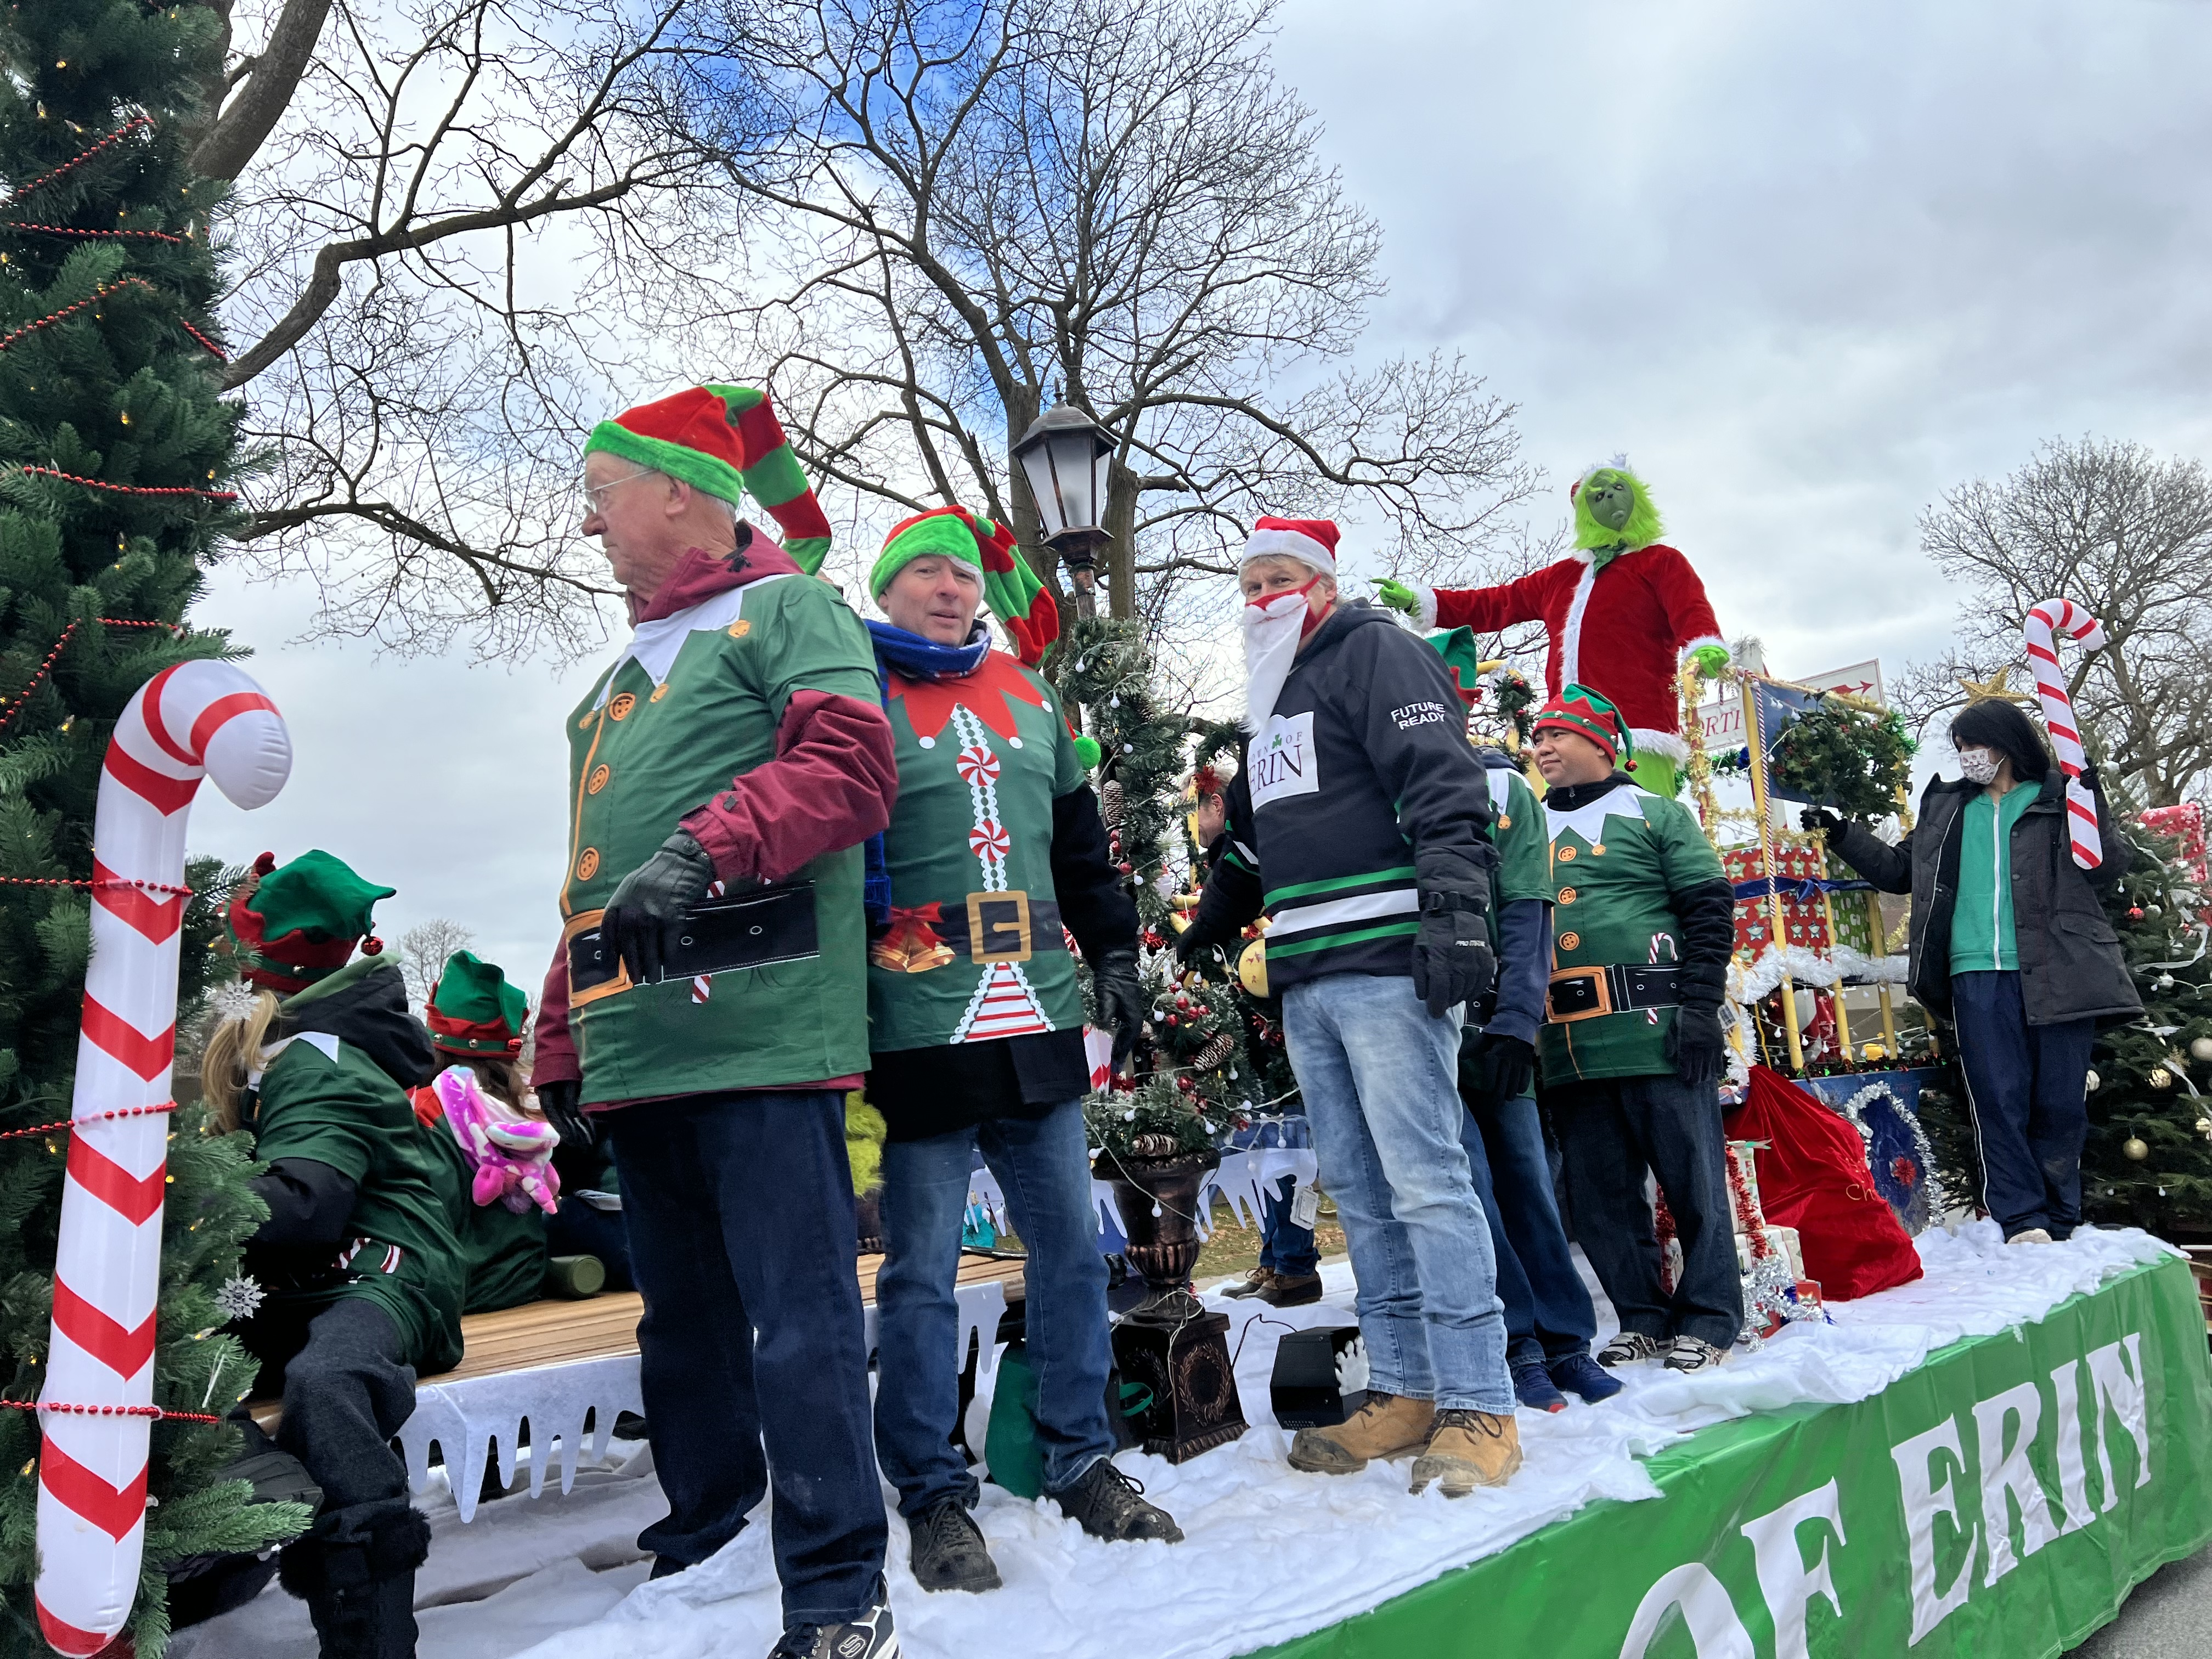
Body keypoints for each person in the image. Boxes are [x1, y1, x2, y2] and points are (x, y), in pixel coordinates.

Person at [529, 385, 899, 1659]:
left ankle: (842, 1592)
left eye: (600, 494)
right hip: (639, 1050)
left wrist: (707, 846)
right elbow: (589, 873)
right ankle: (704, 1546)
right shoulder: (605, 690)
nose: (590, 528)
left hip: (757, 1029)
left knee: (799, 1321)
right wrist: (560, 1036)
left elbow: (853, 765)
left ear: (680, 486)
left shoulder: (788, 610)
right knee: (682, 1329)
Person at [859, 504, 1181, 1595]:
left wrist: (1119, 960)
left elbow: (1084, 855)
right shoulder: (853, 694)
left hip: (1038, 1017)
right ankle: (935, 1497)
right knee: (919, 1277)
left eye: (964, 574)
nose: (953, 588)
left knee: (1071, 1254)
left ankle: (1079, 1459)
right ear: (888, 591)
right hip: (917, 1028)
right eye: (926, 574)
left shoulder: (1033, 698)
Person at [1180, 515, 1519, 1498]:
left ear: (1322, 586)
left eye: (1278, 578)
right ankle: (1407, 1388)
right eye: (1247, 585)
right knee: (1361, 1191)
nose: (1260, 598)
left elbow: (1444, 785)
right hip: (1306, 969)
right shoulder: (1273, 695)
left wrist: (1458, 913)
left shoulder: (1374, 649)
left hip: (1384, 957)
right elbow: (1249, 839)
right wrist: (1210, 917)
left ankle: (1480, 1398)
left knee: (1424, 1179)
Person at [207, 850, 455, 1659]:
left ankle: (370, 1636)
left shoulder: (317, 1061)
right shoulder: (291, 1054)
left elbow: (308, 1205)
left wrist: (180, 1209)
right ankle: (251, 1504)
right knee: (174, 1353)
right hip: (311, 1281)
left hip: (384, 1273)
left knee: (329, 1382)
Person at [1807, 697, 2137, 1244]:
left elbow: (2108, 864)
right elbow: (1899, 872)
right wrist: (1844, 835)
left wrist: (2089, 798)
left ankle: (2062, 1215)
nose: (1966, 757)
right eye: (1959, 748)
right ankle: (2023, 1218)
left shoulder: (2059, 797)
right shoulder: (1949, 808)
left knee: (2058, 1099)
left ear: (2006, 743)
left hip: (2059, 968)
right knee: (1997, 1098)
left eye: (1973, 745)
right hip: (1974, 972)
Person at [1527, 687, 1743, 1374]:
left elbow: (1710, 912)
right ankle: (1642, 1316)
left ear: (1601, 744)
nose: (1543, 747)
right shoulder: (1523, 828)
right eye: (1537, 737)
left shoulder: (1658, 815)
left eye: (1558, 735)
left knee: (1695, 1187)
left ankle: (1710, 1319)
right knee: (1601, 1202)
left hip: (1658, 1034)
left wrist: (1702, 1010)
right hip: (1569, 1050)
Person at [1443, 681, 1621, 1411]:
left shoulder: (1501, 788)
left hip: (1496, 1027)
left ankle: (1567, 1340)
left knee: (1526, 1182)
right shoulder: (1376, 786)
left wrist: (1518, 1021)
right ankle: (1515, 1343)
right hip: (1420, 1031)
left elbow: (1528, 915)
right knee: (1473, 1193)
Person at [1373, 461, 1728, 798]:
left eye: (1618, 491)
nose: (1610, 502)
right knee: (1571, 833)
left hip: (1635, 729)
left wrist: (1703, 645)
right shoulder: (1560, 578)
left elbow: (1690, 609)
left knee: (1644, 827)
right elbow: (1496, 603)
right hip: (1567, 727)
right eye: (1598, 497)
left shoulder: (1660, 562)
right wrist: (1420, 602)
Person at [1180, 762, 1321, 1307]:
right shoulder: (1214, 867)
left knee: (1288, 1143)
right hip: (1238, 1032)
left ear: (1218, 806)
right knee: (1259, 1147)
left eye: (1197, 808)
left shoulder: (1251, 861)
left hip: (1269, 1028)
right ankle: (1273, 1259)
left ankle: (1295, 1263)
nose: (1193, 821)